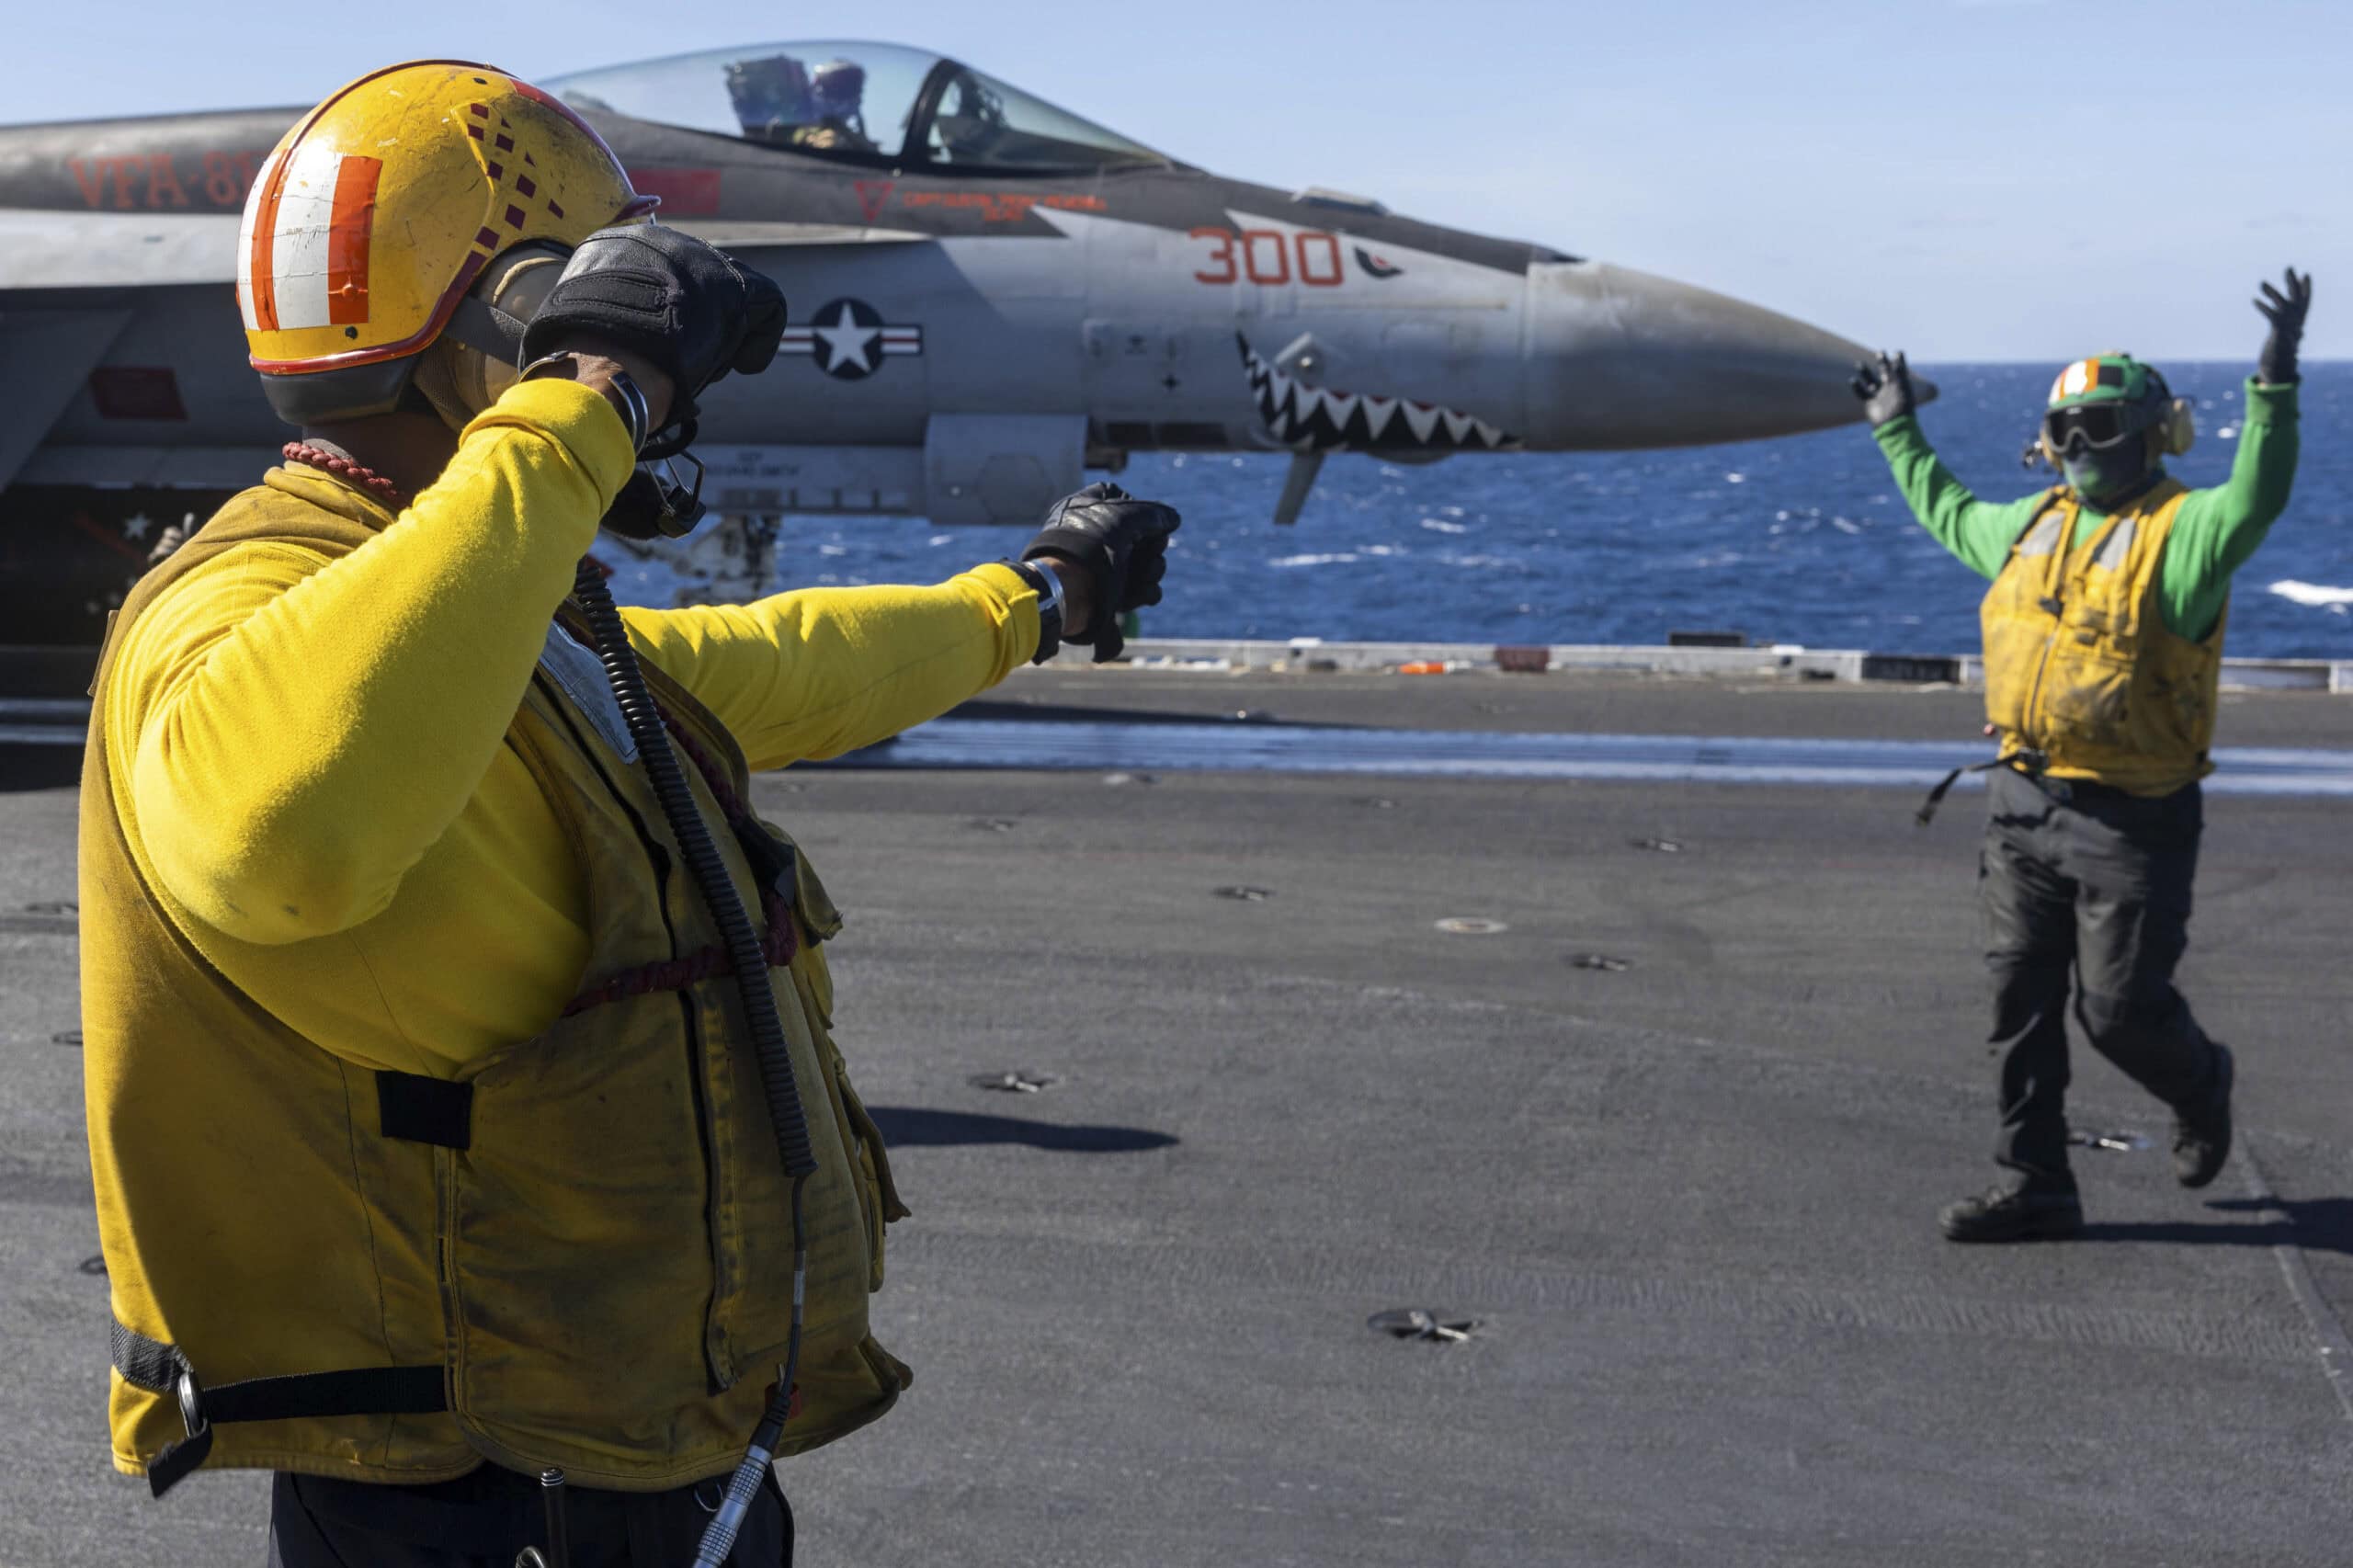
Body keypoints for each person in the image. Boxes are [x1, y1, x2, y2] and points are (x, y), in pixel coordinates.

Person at [79, 60, 1179, 1565]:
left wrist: (1030, 599)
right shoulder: (245, 605)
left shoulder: (479, 615)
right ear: (504, 323)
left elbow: (766, 667)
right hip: (469, 1473)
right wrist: (592, 385)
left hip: (609, 1414)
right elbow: (281, 836)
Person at [1852, 268, 2311, 1244]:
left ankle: (2201, 1080)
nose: (2076, 448)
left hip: (2131, 820)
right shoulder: (2027, 528)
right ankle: (2037, 1183)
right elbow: (1943, 505)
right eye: (2064, 430)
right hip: (2021, 803)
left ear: (2154, 434)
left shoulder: (2182, 535)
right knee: (2016, 999)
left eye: (2098, 427)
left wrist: (2273, 381)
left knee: (2118, 1013)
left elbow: (2259, 494)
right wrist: (1895, 425)